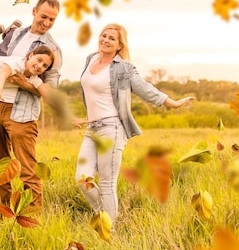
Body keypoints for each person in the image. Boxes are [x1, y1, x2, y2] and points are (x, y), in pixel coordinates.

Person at [74, 23, 194, 228]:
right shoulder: (90, 59)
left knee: (106, 183)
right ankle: (101, 213)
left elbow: (145, 89)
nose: (106, 40)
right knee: (82, 179)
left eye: (112, 38)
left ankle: (107, 230)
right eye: (104, 35)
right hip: (91, 129)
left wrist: (172, 103)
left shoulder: (124, 68)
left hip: (111, 128)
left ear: (120, 45)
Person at [0, 0, 68, 211]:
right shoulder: (17, 33)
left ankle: (32, 217)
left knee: (28, 168)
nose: (46, 22)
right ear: (34, 11)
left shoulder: (52, 50)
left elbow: (50, 89)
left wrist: (24, 83)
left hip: (22, 112)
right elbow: (1, 64)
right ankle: (4, 214)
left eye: (52, 20)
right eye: (44, 16)